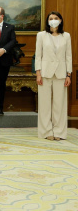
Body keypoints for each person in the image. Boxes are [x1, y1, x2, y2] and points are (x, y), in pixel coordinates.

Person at [35, 11, 72, 141]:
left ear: (60, 20)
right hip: (45, 73)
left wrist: (69, 75)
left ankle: (59, 132)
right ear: (47, 21)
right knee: (44, 104)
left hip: (61, 73)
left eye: (56, 18)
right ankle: (46, 132)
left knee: (59, 104)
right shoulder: (41, 35)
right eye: (51, 18)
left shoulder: (66, 36)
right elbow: (38, 55)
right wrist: (38, 73)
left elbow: (68, 56)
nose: (53, 20)